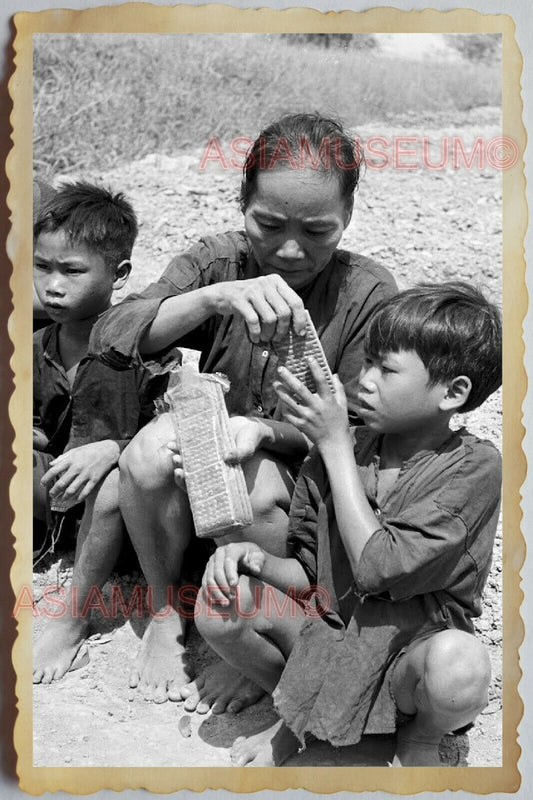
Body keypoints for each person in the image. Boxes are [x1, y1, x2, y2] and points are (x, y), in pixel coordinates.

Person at [90, 112, 398, 707]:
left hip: (290, 496)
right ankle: (163, 610)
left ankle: (244, 624)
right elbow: (113, 333)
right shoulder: (217, 263)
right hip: (197, 474)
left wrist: (265, 429)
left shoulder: (367, 293)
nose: (289, 249)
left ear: (348, 219)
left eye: (317, 231)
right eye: (269, 224)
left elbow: (366, 430)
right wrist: (211, 298)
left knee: (254, 485)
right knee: (149, 453)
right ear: (242, 202)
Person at [193, 282, 502, 767]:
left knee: (459, 664)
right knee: (220, 605)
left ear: (454, 393)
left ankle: (417, 736)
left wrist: (335, 447)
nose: (365, 379)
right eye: (369, 361)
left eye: (387, 368)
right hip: (328, 636)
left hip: (406, 660)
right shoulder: (344, 449)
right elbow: (314, 578)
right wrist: (256, 560)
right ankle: (297, 709)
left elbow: (378, 569)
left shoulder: (474, 467)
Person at [32, 181, 171, 683]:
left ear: (120, 274)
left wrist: (112, 448)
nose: (52, 285)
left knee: (115, 482)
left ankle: (73, 620)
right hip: (58, 499)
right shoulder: (34, 345)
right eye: (42, 267)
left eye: (71, 271)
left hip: (128, 516)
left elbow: (171, 431)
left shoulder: (144, 348)